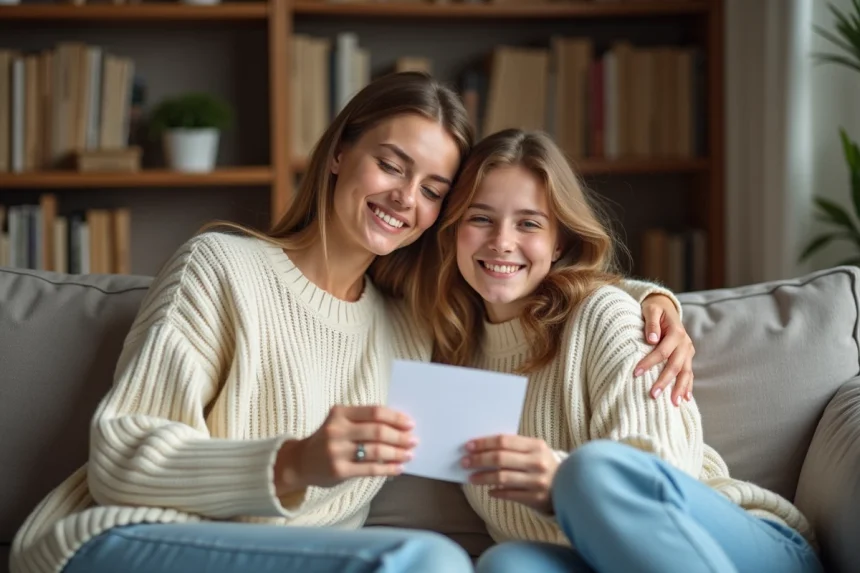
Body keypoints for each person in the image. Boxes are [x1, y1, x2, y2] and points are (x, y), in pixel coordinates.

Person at [11, 73, 692, 573]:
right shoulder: (221, 264)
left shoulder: (411, 323)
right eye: (391, 165)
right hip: (123, 538)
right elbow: (120, 455)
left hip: (297, 557)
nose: (405, 197)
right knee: (425, 563)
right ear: (339, 152)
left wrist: (651, 302)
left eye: (433, 190)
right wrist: (293, 461)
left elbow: (517, 275)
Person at [429, 128, 822, 573]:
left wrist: (560, 482)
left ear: (558, 241)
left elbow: (658, 478)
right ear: (452, 228)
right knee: (508, 564)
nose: (501, 241)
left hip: (730, 543)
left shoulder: (603, 315)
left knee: (590, 471)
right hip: (596, 561)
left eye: (529, 223)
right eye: (480, 218)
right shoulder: (452, 348)